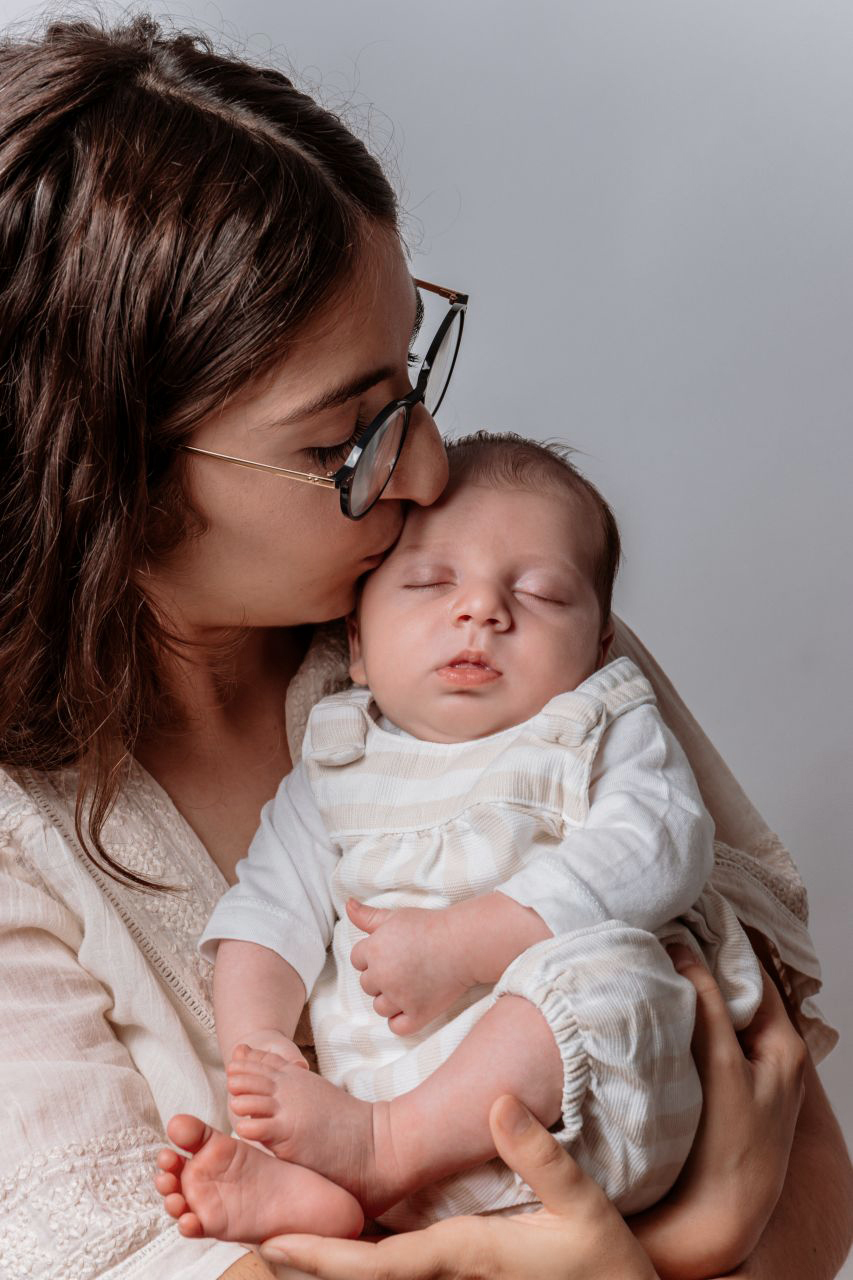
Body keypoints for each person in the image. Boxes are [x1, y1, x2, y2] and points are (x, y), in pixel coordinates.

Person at [0, 15, 848, 1280]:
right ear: (99, 481)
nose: (434, 471)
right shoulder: (23, 847)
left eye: (413, 374)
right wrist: (681, 1242)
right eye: (343, 443)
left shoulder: (492, 632)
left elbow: (807, 1177)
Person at [161, 433, 766, 1245]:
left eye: (542, 594)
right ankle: (334, 1188)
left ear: (600, 648)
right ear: (359, 647)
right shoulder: (336, 761)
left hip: (591, 1120)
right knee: (260, 954)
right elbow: (266, 914)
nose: (482, 609)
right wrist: (259, 1047)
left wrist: (472, 941)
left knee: (607, 972)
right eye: (429, 582)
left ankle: (385, 1152)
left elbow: (660, 846)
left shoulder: (597, 725)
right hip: (382, 1110)